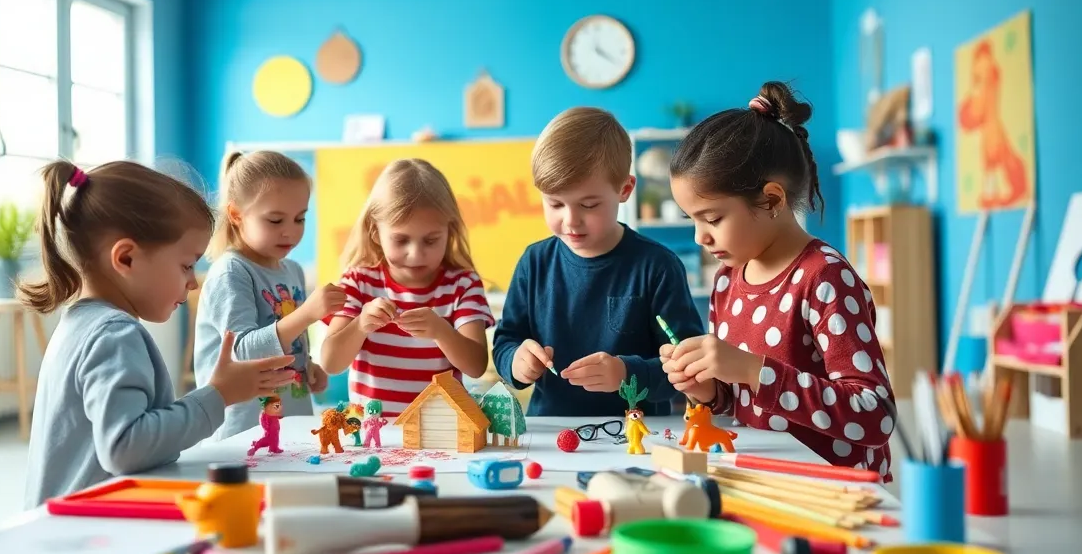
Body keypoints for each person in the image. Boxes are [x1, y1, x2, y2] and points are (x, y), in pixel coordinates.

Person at [21, 161, 293, 508]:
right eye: (186, 265)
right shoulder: (113, 334)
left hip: (65, 524)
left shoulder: (79, 323)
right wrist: (219, 395)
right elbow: (125, 447)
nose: (193, 282)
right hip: (84, 527)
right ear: (126, 259)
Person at [663, 82, 895, 478]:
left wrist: (754, 370)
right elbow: (744, 402)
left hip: (835, 489)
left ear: (772, 200)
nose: (700, 237)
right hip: (763, 479)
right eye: (693, 220)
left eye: (713, 219)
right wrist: (709, 391)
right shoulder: (726, 280)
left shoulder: (825, 277)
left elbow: (875, 416)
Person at [492, 107, 704, 417]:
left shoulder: (658, 266)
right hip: (551, 430)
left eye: (589, 205)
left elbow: (689, 366)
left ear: (625, 190)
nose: (571, 220)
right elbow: (506, 341)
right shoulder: (533, 263)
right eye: (555, 203)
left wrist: (626, 373)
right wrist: (515, 362)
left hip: (637, 432)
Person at [319, 159, 494, 416]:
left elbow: (476, 366)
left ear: (449, 230)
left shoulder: (463, 285)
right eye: (401, 240)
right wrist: (360, 325)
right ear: (375, 232)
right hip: (374, 429)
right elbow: (330, 362)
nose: (416, 254)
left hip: (438, 427)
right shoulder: (358, 282)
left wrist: (441, 331)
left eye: (431, 240)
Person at [195, 151, 343, 441]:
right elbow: (242, 352)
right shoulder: (231, 272)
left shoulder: (292, 271)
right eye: (275, 221)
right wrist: (307, 314)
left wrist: (307, 366)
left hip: (292, 424)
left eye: (300, 219)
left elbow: (288, 342)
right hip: (243, 432)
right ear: (236, 215)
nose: (290, 232)